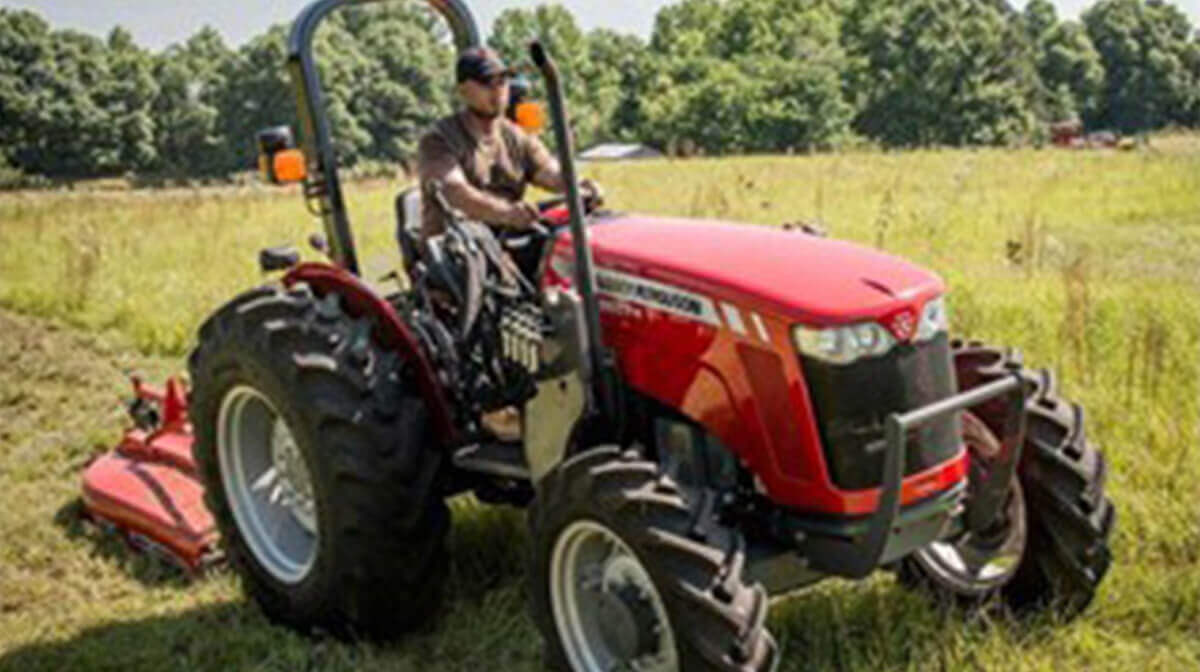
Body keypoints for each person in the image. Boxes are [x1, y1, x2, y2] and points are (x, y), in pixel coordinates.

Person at [415, 47, 596, 244]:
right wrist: (506, 213)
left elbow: (548, 172)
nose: (497, 89)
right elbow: (454, 192)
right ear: (463, 90)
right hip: (455, 253)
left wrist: (578, 187)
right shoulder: (439, 139)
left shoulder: (516, 136)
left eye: (502, 81)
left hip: (505, 242)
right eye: (486, 82)